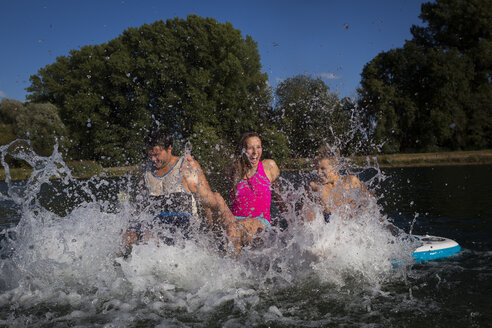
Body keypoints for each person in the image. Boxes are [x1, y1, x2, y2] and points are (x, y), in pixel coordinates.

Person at [123, 129, 241, 251]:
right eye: (150, 155)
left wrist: (211, 233)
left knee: (151, 238)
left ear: (169, 148)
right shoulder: (144, 171)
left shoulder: (186, 166)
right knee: (126, 238)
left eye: (157, 155)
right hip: (155, 225)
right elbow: (138, 207)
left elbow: (207, 201)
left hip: (183, 226)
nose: (153, 159)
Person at [228, 132, 282, 245]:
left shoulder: (269, 166)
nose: (255, 152)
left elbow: (280, 198)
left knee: (235, 230)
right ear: (242, 150)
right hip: (234, 221)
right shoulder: (233, 171)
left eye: (258, 147)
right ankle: (232, 261)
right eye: (250, 148)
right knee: (232, 229)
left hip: (260, 222)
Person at [302, 146, 372, 223]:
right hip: (328, 231)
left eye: (322, 169)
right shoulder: (315, 186)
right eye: (316, 169)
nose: (318, 173)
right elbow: (305, 219)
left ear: (335, 167)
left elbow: (370, 203)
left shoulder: (351, 182)